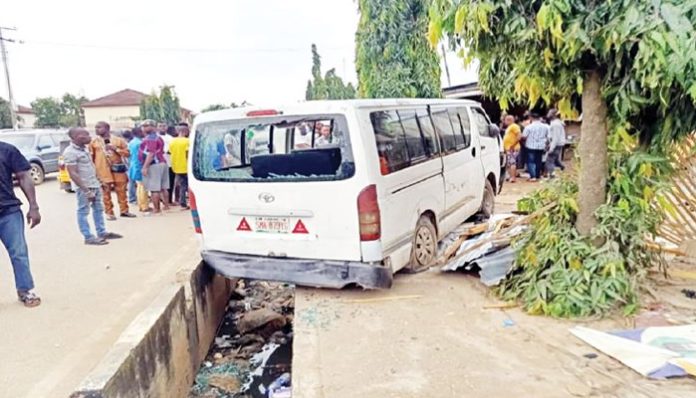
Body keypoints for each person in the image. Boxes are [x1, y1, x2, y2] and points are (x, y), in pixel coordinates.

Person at [0, 140, 42, 307]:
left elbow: (24, 176)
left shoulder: (7, 150)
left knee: (19, 253)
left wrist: (33, 206)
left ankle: (25, 290)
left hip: (8, 211)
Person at [64, 128, 123, 245]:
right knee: (83, 211)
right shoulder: (70, 152)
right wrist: (86, 191)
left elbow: (91, 167)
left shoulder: (84, 149)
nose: (89, 137)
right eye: (86, 135)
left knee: (98, 209)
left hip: (94, 184)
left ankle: (101, 232)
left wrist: (100, 181)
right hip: (84, 187)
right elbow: (73, 173)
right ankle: (88, 236)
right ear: (77, 137)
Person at [90, 121, 136, 220]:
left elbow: (128, 154)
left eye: (99, 127)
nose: (96, 129)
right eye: (96, 127)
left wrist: (116, 149)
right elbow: (91, 158)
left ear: (107, 128)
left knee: (122, 191)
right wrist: (93, 172)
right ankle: (109, 213)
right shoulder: (94, 142)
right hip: (102, 171)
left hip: (118, 170)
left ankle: (124, 211)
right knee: (105, 193)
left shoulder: (118, 140)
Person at [140, 120, 170, 214]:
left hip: (154, 164)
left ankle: (156, 209)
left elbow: (151, 153)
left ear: (153, 127)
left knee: (154, 189)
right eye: (143, 126)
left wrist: (145, 167)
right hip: (162, 163)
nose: (144, 128)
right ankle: (166, 206)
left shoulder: (150, 138)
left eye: (146, 126)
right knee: (163, 187)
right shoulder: (158, 137)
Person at [521, 113, 549, 182]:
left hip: (530, 146)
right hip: (541, 146)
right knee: (538, 161)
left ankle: (533, 176)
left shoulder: (528, 127)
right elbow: (548, 137)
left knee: (530, 161)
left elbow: (524, 136)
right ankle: (537, 175)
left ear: (531, 118)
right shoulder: (545, 127)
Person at [128, 127, 150, 213]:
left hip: (134, 164)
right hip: (139, 165)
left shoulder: (131, 142)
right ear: (140, 132)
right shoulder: (140, 143)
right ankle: (144, 206)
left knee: (139, 186)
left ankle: (141, 205)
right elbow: (143, 156)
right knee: (143, 187)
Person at [169, 123, 190, 209]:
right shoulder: (187, 141)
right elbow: (187, 154)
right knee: (187, 186)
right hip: (186, 166)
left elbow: (170, 152)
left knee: (181, 185)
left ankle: (182, 202)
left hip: (176, 167)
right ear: (185, 131)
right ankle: (186, 202)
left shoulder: (172, 141)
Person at [546, 109, 567, 177]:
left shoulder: (555, 124)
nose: (548, 114)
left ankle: (552, 175)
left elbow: (555, 137)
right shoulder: (555, 123)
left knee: (549, 161)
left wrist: (551, 148)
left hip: (556, 144)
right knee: (556, 160)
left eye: (550, 113)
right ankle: (563, 168)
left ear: (554, 115)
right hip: (557, 144)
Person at [502, 115, 522, 183]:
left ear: (509, 120)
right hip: (509, 148)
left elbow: (519, 136)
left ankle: (513, 177)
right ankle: (510, 176)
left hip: (513, 148)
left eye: (505, 120)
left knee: (512, 162)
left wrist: (513, 145)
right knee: (509, 163)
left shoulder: (514, 126)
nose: (504, 122)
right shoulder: (509, 127)